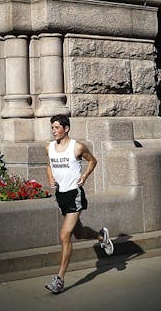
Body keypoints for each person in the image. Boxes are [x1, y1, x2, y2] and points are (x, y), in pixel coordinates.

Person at [44, 113, 113, 294]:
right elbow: (49, 165)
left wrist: (84, 176)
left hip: (75, 194)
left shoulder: (77, 147)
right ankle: (101, 237)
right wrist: (51, 178)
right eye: (52, 128)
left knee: (64, 235)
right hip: (61, 196)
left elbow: (93, 161)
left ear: (66, 129)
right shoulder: (49, 147)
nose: (54, 131)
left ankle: (59, 279)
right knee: (80, 233)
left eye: (57, 127)